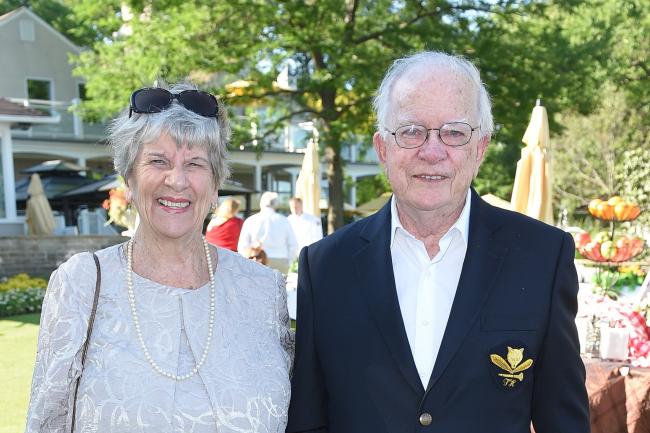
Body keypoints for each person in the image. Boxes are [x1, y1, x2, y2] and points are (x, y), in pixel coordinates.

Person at [287, 51, 589, 433]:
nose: (432, 152)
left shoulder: (543, 257)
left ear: (479, 149)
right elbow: (308, 421)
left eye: (454, 132)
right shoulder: (325, 266)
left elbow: (563, 422)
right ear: (383, 149)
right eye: (411, 131)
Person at [26, 84, 293, 433]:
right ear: (129, 180)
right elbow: (46, 422)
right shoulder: (81, 283)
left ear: (215, 187)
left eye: (195, 163)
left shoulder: (263, 290)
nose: (177, 180)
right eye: (158, 161)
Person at [238, 191, 298, 274]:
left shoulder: (251, 220)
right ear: (276, 204)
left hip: (256, 259)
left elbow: (242, 245)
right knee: (278, 286)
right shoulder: (284, 220)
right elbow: (293, 244)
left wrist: (246, 261)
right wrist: (289, 261)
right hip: (280, 259)